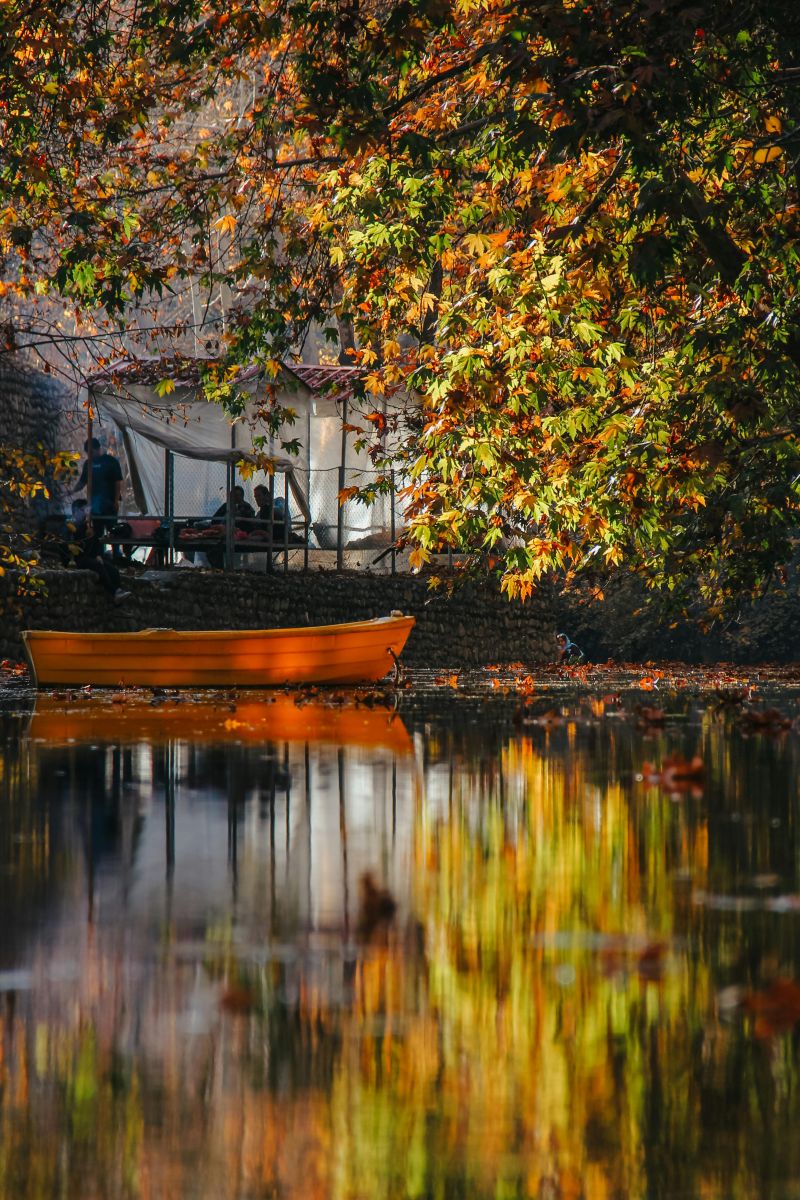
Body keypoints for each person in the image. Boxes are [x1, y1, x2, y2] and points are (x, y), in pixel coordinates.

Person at [42, 500, 130, 603]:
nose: (86, 513)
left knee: (112, 569)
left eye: (87, 510)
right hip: (74, 559)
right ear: (76, 511)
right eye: (83, 510)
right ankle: (113, 591)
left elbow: (95, 544)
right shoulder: (69, 526)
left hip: (87, 556)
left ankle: (118, 594)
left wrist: (97, 554)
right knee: (97, 566)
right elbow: (69, 545)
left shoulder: (86, 526)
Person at [72, 437, 123, 538]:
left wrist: (116, 500)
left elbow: (117, 482)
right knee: (97, 533)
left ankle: (116, 553)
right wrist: (72, 491)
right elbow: (82, 482)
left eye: (91, 452)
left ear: (98, 449)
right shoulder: (88, 464)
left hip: (109, 503)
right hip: (94, 505)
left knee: (113, 532)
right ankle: (99, 553)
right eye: (88, 453)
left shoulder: (111, 461)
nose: (90, 455)